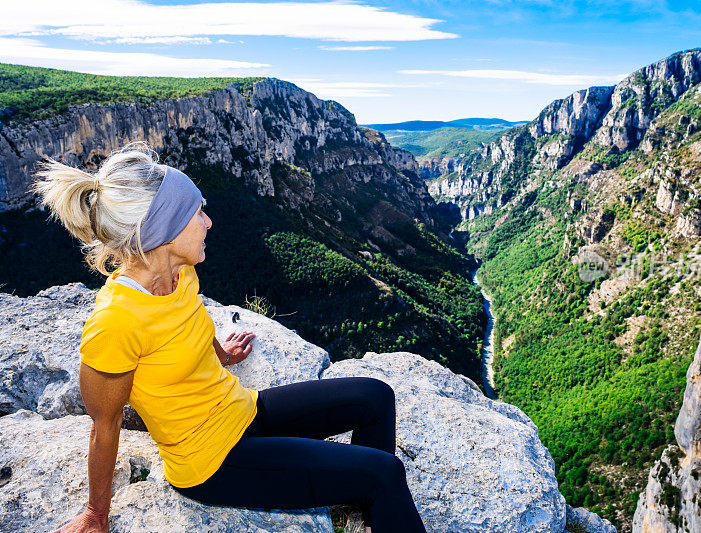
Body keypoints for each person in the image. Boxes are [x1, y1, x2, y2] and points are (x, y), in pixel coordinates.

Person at [32, 142, 427, 533]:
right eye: (197, 212)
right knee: (385, 474)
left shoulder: (179, 273)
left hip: (241, 409)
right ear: (162, 231)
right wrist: (95, 514)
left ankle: (363, 501)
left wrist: (220, 353)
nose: (208, 222)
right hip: (213, 463)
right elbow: (106, 422)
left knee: (375, 397)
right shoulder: (115, 322)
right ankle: (370, 489)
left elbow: (185, 332)